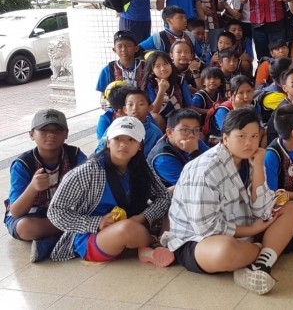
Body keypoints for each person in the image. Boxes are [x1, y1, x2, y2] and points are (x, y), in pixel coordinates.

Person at [161, 108, 293, 295]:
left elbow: (262, 209)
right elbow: (206, 227)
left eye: (254, 136)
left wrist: (258, 166)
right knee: (224, 252)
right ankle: (268, 249)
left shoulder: (252, 159)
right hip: (197, 239)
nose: (249, 143)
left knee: (290, 209)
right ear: (225, 138)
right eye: (241, 136)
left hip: (240, 225)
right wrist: (254, 230)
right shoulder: (206, 169)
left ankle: (260, 264)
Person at [47, 117, 173, 266]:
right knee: (125, 229)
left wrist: (142, 217)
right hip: (94, 236)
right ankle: (154, 242)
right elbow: (55, 211)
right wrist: (96, 222)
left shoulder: (142, 169)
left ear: (140, 146)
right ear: (108, 142)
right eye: (118, 138)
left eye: (131, 140)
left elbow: (164, 197)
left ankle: (142, 247)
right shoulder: (88, 171)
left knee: (173, 192)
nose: (124, 144)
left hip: (135, 224)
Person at [5, 109, 87, 262]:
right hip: (33, 215)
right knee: (26, 228)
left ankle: (51, 242)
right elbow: (16, 211)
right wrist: (33, 188)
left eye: (57, 130)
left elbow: (93, 184)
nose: (51, 135)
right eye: (43, 130)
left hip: (66, 212)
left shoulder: (75, 155)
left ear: (66, 133)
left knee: (99, 211)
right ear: (31, 134)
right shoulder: (23, 164)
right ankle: (73, 235)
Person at [147, 109, 209, 190]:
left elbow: (213, 161)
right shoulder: (163, 159)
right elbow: (194, 187)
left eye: (196, 130)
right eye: (185, 130)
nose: (191, 135)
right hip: (173, 198)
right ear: (170, 133)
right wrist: (193, 152)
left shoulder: (192, 140)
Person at [97, 87, 163, 155]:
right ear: (125, 109)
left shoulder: (155, 133)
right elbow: (100, 150)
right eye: (130, 104)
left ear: (150, 108)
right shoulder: (115, 126)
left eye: (141, 104)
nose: (135, 108)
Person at [142, 51, 193, 130]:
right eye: (157, 66)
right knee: (155, 117)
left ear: (171, 65)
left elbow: (189, 105)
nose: (163, 68)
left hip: (179, 116)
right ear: (152, 70)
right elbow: (153, 111)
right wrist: (161, 91)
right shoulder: (150, 83)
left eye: (165, 64)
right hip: (160, 120)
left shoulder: (180, 80)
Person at [204, 75, 255, 145]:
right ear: (231, 94)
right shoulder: (222, 110)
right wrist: (237, 110)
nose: (246, 96)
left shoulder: (254, 105)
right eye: (241, 93)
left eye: (249, 91)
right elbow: (231, 134)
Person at [96, 30, 146, 101]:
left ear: (136, 48)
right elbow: (103, 97)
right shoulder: (108, 70)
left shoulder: (146, 67)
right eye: (119, 46)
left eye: (128, 46)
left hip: (143, 110)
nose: (123, 49)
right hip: (117, 111)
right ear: (114, 50)